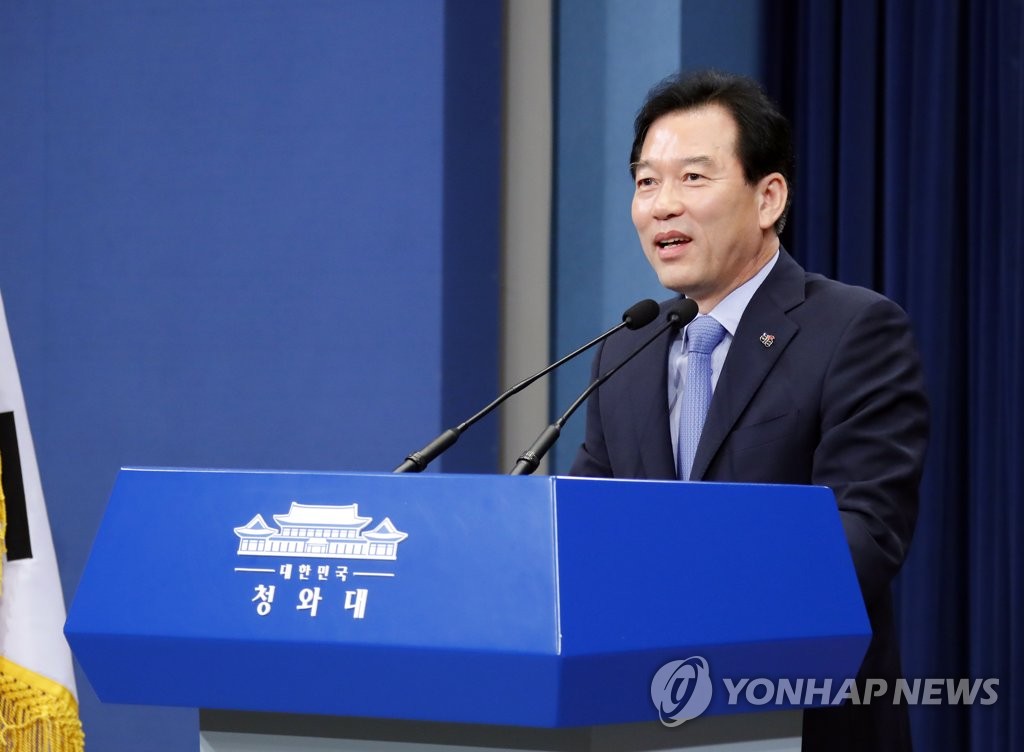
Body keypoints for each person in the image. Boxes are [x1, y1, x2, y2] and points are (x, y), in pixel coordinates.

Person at [569, 69, 929, 751]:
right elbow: (585, 529)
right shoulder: (626, 350)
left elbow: (863, 537)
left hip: (797, 720)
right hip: (640, 717)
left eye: (692, 178)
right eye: (646, 182)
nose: (662, 206)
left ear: (768, 198)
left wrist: (683, 590)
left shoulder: (853, 330)